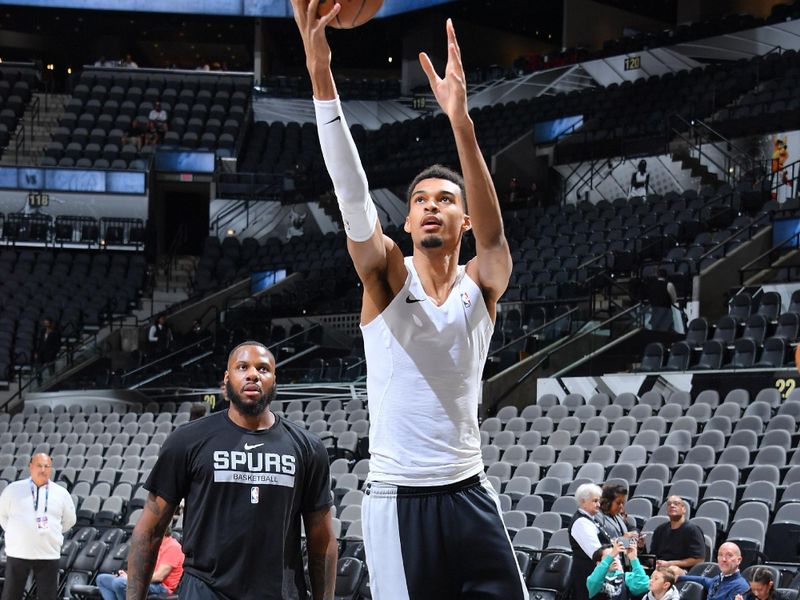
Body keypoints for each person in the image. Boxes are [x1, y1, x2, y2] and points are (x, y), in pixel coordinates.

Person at [292, 2, 525, 598]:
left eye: (444, 199)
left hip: (471, 491)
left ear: (463, 220)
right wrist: (323, 82)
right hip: (400, 500)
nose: (429, 205)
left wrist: (462, 123)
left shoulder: (482, 284)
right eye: (420, 198)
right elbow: (353, 199)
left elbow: (497, 240)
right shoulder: (389, 281)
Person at [126, 341, 336, 600]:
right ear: (227, 379)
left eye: (263, 369)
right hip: (205, 591)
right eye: (242, 367)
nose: (253, 374)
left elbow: (322, 540)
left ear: (274, 379)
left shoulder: (308, 447)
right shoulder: (187, 440)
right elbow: (149, 530)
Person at [0, 453, 76, 600]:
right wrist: (14, 532)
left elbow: (70, 520)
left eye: (47, 466)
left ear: (51, 469)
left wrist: (53, 533)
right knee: (11, 595)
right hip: (18, 552)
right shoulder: (13, 489)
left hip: (48, 553)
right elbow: (2, 515)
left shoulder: (61, 493)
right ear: (31, 467)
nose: (43, 469)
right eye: (39, 465)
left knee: (48, 596)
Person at [96, 528, 184, 600]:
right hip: (147, 581)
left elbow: (159, 577)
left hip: (161, 587)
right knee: (102, 579)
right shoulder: (152, 545)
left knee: (119, 583)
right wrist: (127, 574)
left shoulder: (173, 547)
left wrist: (131, 578)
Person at [570, 483, 611, 600]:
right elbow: (596, 553)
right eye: (595, 501)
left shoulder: (591, 519)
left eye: (599, 501)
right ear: (583, 501)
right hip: (587, 575)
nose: (599, 505)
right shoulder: (581, 522)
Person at [671, 542, 749, 600]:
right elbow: (703, 580)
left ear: (739, 560)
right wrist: (679, 577)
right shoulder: (718, 579)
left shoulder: (741, 587)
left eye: (729, 555)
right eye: (720, 555)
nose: (723, 559)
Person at [651, 495, 705, 569]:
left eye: (676, 503)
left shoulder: (693, 530)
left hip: (682, 569)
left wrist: (670, 563)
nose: (672, 505)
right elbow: (652, 555)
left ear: (684, 509)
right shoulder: (660, 529)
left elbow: (699, 559)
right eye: (669, 504)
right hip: (660, 568)